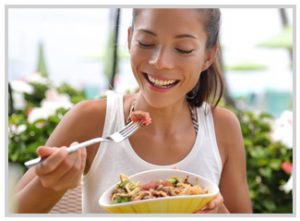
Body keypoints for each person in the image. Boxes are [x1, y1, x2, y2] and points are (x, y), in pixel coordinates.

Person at [14, 8, 252, 213]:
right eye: (146, 43)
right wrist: (49, 185)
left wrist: (216, 211)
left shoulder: (223, 127)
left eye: (183, 49)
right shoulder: (91, 120)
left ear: (208, 56)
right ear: (129, 39)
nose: (160, 62)